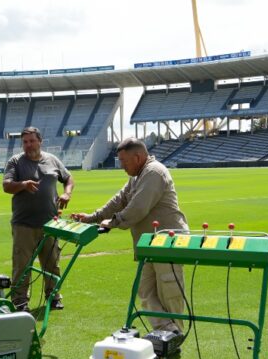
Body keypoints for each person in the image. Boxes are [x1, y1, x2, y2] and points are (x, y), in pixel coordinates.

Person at [71, 138, 188, 333]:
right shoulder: (136, 176)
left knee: (169, 290)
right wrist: (92, 218)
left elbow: (138, 207)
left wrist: (114, 221)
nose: (122, 165)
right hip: (149, 243)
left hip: (168, 240)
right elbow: (119, 200)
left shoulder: (154, 172)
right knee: (145, 291)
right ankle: (167, 331)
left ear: (138, 157)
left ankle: (174, 334)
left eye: (124, 161)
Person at [3, 126, 75, 312]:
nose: (28, 145)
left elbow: (68, 178)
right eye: (25, 142)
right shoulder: (16, 162)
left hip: (51, 223)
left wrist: (67, 193)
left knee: (52, 263)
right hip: (24, 224)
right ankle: (20, 301)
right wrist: (23, 185)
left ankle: (54, 296)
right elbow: (6, 186)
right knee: (22, 265)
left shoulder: (52, 160)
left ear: (40, 141)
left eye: (32, 141)